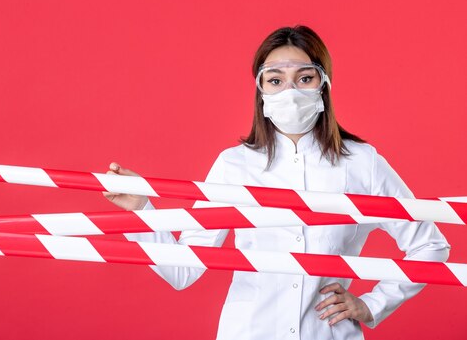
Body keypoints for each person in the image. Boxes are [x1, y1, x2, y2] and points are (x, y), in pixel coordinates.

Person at [102, 25, 450, 340]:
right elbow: (182, 271)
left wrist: (374, 304)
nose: (290, 90)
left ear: (324, 84)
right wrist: (142, 209)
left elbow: (430, 246)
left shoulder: (363, 163)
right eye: (275, 80)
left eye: (304, 78)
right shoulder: (234, 165)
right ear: (261, 91)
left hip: (328, 334)